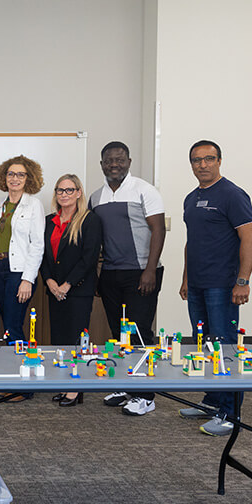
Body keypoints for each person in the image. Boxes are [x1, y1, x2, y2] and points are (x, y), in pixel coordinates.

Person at [178, 140, 252, 436]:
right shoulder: (190, 198)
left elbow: (250, 240)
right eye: (197, 160)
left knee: (224, 349)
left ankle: (229, 413)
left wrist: (243, 280)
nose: (203, 165)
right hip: (197, 284)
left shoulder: (233, 195)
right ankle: (212, 401)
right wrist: (186, 278)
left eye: (209, 159)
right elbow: (192, 241)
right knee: (205, 346)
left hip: (223, 286)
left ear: (219, 161)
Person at [89, 141, 165, 416]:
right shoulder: (96, 197)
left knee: (141, 333)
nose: (114, 164)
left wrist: (149, 270)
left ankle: (145, 395)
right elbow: (96, 241)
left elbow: (158, 231)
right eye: (108, 160)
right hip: (110, 273)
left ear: (129, 162)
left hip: (142, 272)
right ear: (102, 165)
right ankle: (125, 384)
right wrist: (98, 275)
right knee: (118, 333)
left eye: (119, 159)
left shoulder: (145, 190)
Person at [40, 174, 102, 407]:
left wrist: (67, 284)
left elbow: (89, 258)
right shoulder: (49, 220)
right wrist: (49, 282)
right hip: (54, 290)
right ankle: (64, 383)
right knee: (59, 340)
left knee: (76, 341)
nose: (64, 194)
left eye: (69, 190)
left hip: (77, 290)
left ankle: (76, 388)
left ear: (78, 192)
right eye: (60, 190)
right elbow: (42, 256)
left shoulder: (89, 220)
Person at [0, 155, 45, 403]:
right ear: (4, 177)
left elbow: (38, 246)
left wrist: (27, 279)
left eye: (20, 174)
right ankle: (16, 379)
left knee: (13, 327)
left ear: (28, 178)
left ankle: (25, 386)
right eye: (11, 174)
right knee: (9, 327)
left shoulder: (34, 205)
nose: (15, 178)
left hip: (18, 272)